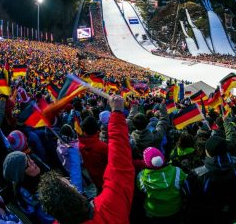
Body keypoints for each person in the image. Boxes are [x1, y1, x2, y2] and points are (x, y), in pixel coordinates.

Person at [37, 95, 135, 224]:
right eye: (69, 184)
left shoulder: (79, 146)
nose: (69, 180)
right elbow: (120, 166)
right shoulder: (108, 207)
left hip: (96, 179)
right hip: (104, 180)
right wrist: (117, 114)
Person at [185, 135, 236, 224]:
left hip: (205, 215)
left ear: (207, 151)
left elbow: (188, 192)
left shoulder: (198, 174)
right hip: (229, 212)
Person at [137, 147, 186, 223]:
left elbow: (142, 190)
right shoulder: (177, 171)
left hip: (153, 211)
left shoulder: (141, 176)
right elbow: (185, 184)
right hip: (174, 209)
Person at [79, 116, 108, 193]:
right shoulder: (102, 147)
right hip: (106, 179)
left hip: (94, 178)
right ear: (96, 129)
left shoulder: (80, 145)